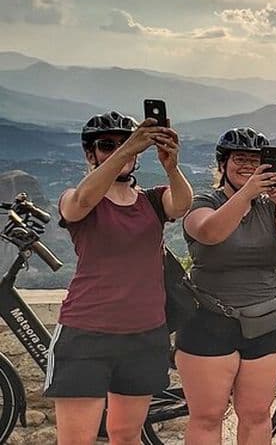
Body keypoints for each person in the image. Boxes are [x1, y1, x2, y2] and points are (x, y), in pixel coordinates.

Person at [46, 111, 192, 444]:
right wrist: (127, 149)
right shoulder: (79, 198)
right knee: (76, 440)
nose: (116, 150)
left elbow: (182, 204)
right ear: (90, 153)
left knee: (126, 436)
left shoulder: (151, 201)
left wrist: (171, 165)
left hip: (144, 335)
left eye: (123, 143)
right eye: (106, 145)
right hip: (86, 334)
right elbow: (78, 204)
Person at [176, 128, 276, 444]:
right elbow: (208, 232)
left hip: (264, 324)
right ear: (222, 165)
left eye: (254, 160)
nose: (247, 165)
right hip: (208, 321)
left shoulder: (269, 206)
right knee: (207, 418)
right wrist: (246, 193)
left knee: (258, 415)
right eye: (239, 159)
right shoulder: (204, 201)